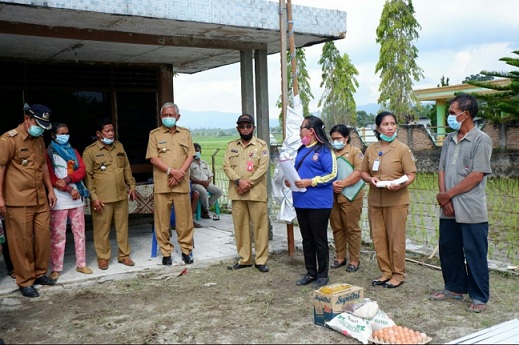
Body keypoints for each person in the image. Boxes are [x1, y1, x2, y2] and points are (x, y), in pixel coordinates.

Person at [430, 94, 492, 313]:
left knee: (474, 251)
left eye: (452, 112)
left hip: (471, 208)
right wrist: (443, 195)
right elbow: (442, 168)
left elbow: (477, 175)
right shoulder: (449, 139)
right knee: (449, 248)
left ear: (466, 114)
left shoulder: (481, 139)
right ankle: (454, 288)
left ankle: (479, 296)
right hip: (448, 207)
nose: (450, 116)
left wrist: (449, 195)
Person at [0, 103, 57, 298]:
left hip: (39, 197)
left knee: (42, 238)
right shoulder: (8, 140)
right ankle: (25, 281)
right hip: (18, 200)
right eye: (38, 124)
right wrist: (0, 198)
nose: (40, 128)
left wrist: (50, 190)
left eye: (43, 125)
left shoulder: (39, 139)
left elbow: (42, 167)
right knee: (21, 242)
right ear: (27, 120)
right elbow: (1, 169)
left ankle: (40, 273)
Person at [360, 111, 416, 289]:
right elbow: (363, 172)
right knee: (378, 237)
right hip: (376, 200)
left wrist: (400, 184)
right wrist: (370, 179)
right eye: (386, 124)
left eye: (393, 124)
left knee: (395, 238)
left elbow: (411, 174)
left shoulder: (402, 149)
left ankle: (398, 274)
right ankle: (385, 272)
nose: (390, 127)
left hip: (396, 200)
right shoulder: (371, 149)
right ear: (378, 128)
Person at [285, 115, 337, 287]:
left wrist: (311, 181)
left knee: (319, 239)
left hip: (319, 203)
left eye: (302, 128)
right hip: (301, 200)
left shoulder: (324, 150)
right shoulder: (301, 149)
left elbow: (331, 174)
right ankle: (310, 272)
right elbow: (298, 172)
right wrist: (291, 180)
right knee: (306, 239)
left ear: (311, 131)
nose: (300, 132)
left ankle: (323, 274)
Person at [83, 117, 136, 270]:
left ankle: (124, 255)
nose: (111, 133)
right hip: (102, 198)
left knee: (123, 227)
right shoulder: (91, 151)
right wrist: (93, 197)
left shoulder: (119, 147)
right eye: (107, 131)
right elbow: (88, 177)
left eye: (112, 130)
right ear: (99, 133)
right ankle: (103, 258)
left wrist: (131, 185)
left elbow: (126, 168)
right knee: (101, 229)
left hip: (120, 195)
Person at [146, 102, 196, 266]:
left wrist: (179, 173)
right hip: (163, 184)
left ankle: (186, 251)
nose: (168, 118)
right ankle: (166, 252)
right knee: (162, 221)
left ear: (178, 117)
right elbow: (153, 158)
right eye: (165, 115)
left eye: (171, 115)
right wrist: (171, 172)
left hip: (181, 184)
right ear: (161, 117)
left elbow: (190, 155)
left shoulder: (185, 133)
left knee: (184, 221)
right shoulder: (154, 134)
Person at [223, 114, 270, 273]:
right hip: (238, 193)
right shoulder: (231, 146)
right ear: (237, 128)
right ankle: (244, 259)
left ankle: (261, 260)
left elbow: (263, 168)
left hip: (256, 193)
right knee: (240, 226)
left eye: (248, 126)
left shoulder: (261, 145)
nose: (245, 129)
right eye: (242, 126)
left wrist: (247, 183)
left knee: (260, 227)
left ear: (253, 127)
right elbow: (226, 166)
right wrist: (238, 181)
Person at [46, 123, 92, 280]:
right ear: (53, 136)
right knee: (58, 236)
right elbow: (50, 177)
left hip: (76, 199)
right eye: (61, 133)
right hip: (59, 200)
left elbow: (81, 170)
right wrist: (68, 189)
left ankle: (81, 264)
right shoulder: (49, 153)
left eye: (67, 133)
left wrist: (68, 180)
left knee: (80, 233)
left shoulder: (73, 152)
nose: (65, 135)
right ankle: (56, 268)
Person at [329, 124, 364, 272]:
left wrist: (343, 183)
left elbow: (359, 172)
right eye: (333, 139)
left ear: (346, 138)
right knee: (337, 227)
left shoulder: (355, 152)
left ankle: (354, 260)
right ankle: (340, 257)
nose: (335, 141)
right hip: (332, 196)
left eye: (338, 138)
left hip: (351, 195)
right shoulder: (330, 153)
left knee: (352, 228)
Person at [190, 143, 222, 220]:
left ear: (200, 151)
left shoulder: (204, 163)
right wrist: (200, 182)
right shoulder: (189, 163)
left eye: (197, 151)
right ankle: (206, 210)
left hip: (206, 183)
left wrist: (208, 181)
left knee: (218, 191)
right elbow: (189, 177)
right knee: (203, 192)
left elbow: (210, 175)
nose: (196, 153)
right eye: (194, 151)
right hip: (195, 184)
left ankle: (203, 207)